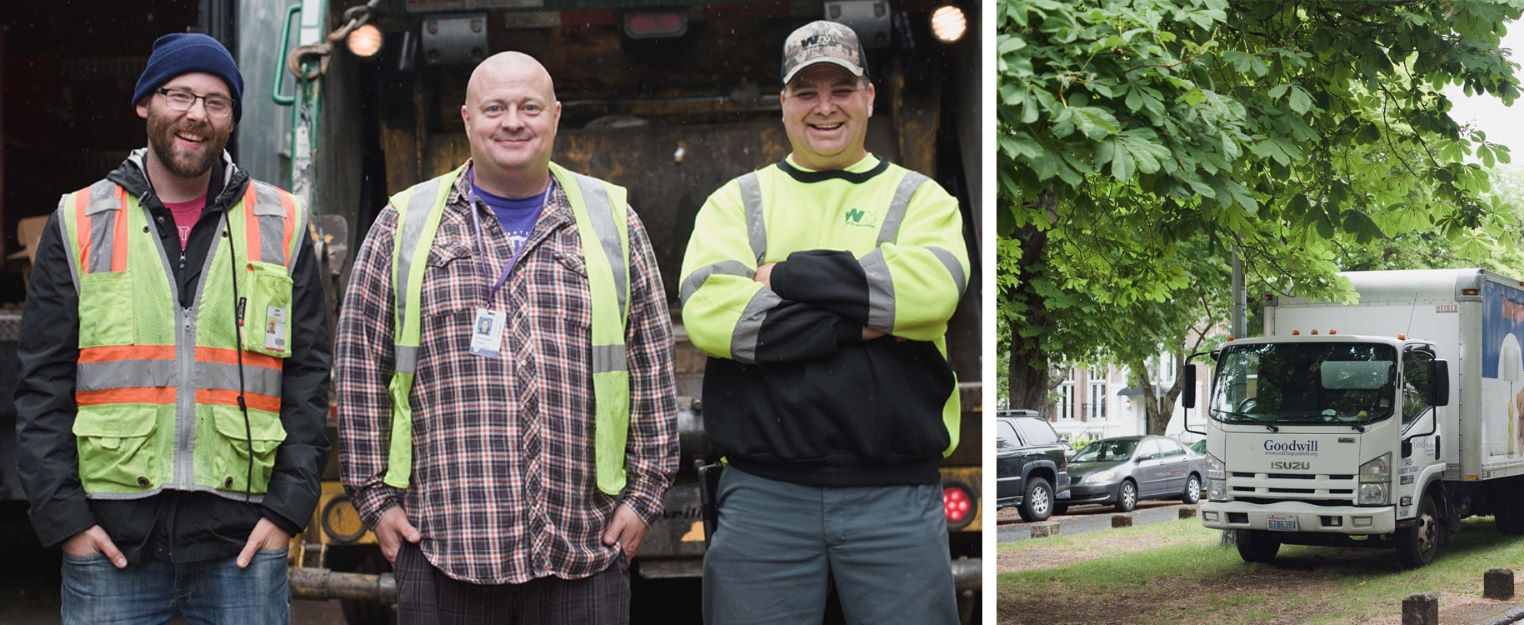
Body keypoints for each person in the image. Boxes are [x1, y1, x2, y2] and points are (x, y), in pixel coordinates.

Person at [335, 51, 678, 623]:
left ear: (556, 117)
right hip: (444, 549)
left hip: (583, 551)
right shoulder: (406, 222)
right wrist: (374, 501)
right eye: (495, 108)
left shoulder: (610, 220)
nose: (513, 121)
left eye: (529, 107)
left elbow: (649, 360)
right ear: (468, 119)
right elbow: (360, 366)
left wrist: (644, 498)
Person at [13, 33, 330, 624]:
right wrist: (67, 522)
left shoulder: (281, 222)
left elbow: (309, 379)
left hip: (244, 542)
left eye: (216, 101)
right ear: (144, 105)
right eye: (178, 94)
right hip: (111, 542)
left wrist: (287, 513)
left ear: (232, 118)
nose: (196, 115)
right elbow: (42, 385)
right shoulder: (80, 218)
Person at [679, 20, 969, 624]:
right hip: (763, 499)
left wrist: (780, 277)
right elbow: (712, 316)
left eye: (842, 88)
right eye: (806, 92)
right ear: (784, 104)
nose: (825, 107)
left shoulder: (922, 199)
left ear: (869, 97)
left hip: (893, 498)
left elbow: (932, 293)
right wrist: (856, 321)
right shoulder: (737, 201)